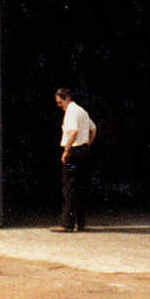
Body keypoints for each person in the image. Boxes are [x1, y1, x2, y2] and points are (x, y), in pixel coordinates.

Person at [52, 87, 96, 232]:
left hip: (73, 152)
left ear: (66, 99)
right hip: (83, 151)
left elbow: (73, 131)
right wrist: (87, 143)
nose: (59, 106)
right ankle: (81, 223)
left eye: (60, 103)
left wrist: (67, 150)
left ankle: (68, 224)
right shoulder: (82, 111)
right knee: (80, 187)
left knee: (69, 187)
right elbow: (93, 128)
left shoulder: (71, 112)